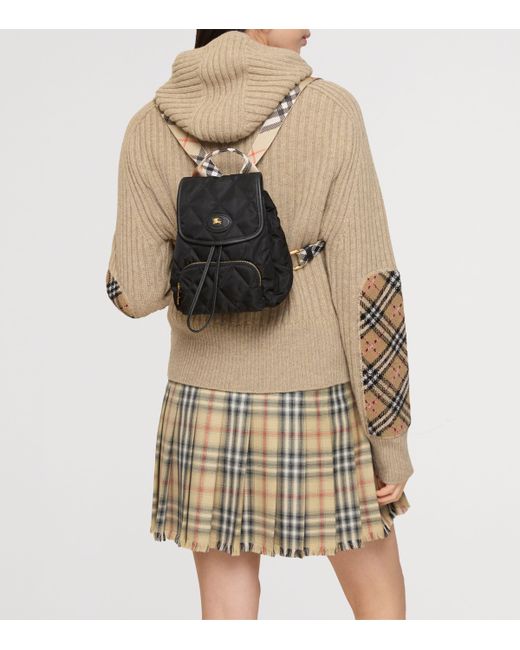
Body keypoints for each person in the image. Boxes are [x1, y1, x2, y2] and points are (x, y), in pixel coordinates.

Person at [105, 28, 414, 620]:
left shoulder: (148, 124)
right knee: (379, 603)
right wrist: (390, 441)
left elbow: (135, 293)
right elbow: (369, 289)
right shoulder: (330, 109)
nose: (311, 21)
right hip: (320, 395)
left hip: (202, 402)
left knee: (226, 612)